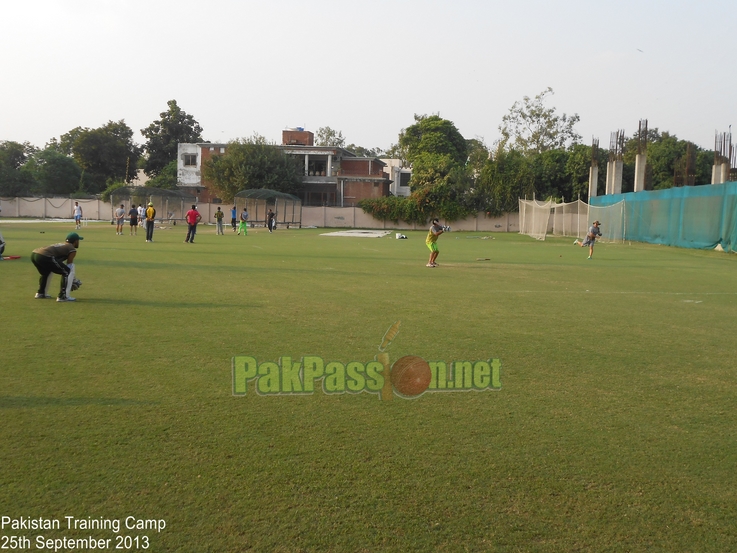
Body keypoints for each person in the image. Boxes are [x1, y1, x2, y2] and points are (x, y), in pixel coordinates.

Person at [31, 232, 82, 302]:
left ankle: (41, 293)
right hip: (45, 256)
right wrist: (71, 279)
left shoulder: (63, 245)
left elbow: (58, 261)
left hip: (34, 254)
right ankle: (62, 296)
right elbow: (69, 265)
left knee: (46, 273)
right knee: (66, 272)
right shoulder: (72, 249)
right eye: (78, 241)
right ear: (76, 241)